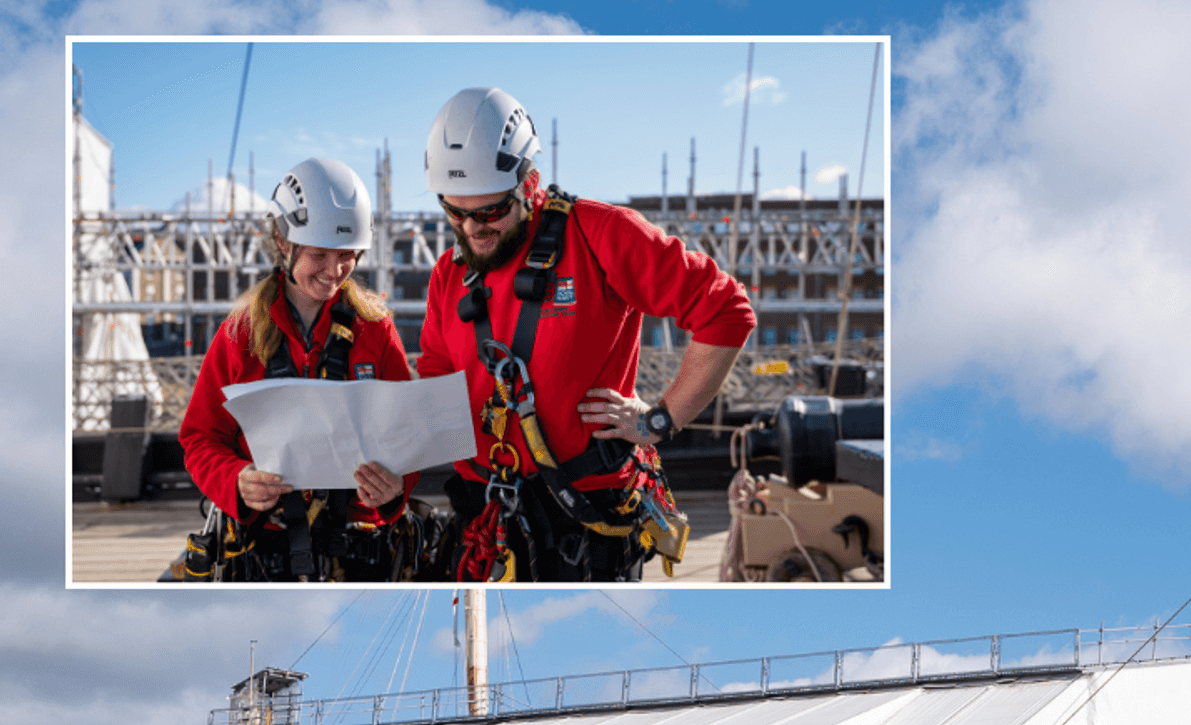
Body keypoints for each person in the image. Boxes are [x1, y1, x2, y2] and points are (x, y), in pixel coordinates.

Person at [415, 86, 756, 581]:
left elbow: (725, 309)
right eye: (454, 212)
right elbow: (437, 376)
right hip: (486, 517)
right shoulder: (449, 272)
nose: (472, 230)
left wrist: (661, 420)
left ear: (529, 185)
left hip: (587, 519)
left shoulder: (601, 235)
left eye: (489, 212)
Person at [174, 157, 432, 581]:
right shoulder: (241, 335)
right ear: (283, 241)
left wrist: (395, 486)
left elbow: (406, 435)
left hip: (358, 550)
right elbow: (201, 437)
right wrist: (236, 480)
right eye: (319, 254)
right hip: (262, 549)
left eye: (347, 255)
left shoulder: (375, 331)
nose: (334, 271)